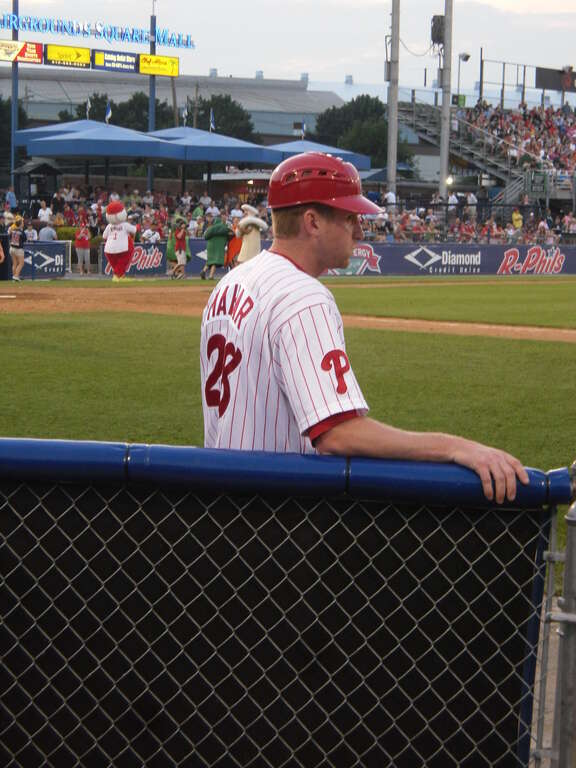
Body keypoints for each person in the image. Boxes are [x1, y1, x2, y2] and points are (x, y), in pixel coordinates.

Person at [200, 152, 528, 503]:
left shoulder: (230, 283)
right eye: (349, 218)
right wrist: (455, 447)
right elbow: (338, 433)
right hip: (278, 515)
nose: (359, 231)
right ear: (312, 222)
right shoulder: (303, 295)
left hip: (222, 505)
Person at [8, 214, 25, 281]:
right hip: (18, 249)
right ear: (20, 224)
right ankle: (16, 276)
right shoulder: (21, 232)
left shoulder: (13, 230)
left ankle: (14, 277)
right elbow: (24, 239)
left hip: (12, 248)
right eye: (22, 222)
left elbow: (9, 237)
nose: (23, 223)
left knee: (15, 263)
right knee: (21, 263)